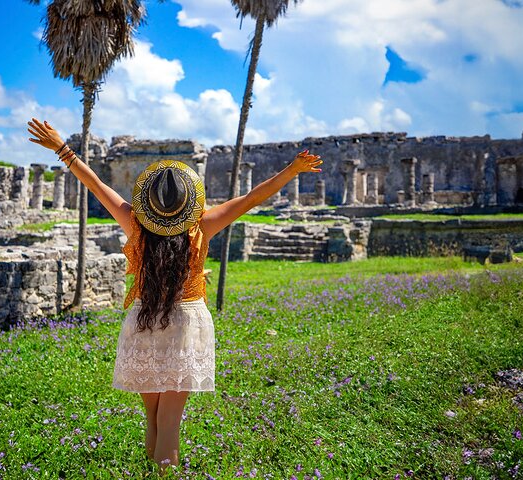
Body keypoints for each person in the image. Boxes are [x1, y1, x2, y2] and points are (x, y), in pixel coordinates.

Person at [27, 117, 323, 474]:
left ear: (148, 203)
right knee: (170, 421)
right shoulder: (202, 227)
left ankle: (152, 472)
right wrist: (292, 169)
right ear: (189, 202)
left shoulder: (134, 223)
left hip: (144, 318)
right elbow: (251, 197)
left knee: (152, 416)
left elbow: (96, 184)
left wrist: (62, 148)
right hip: (186, 322)